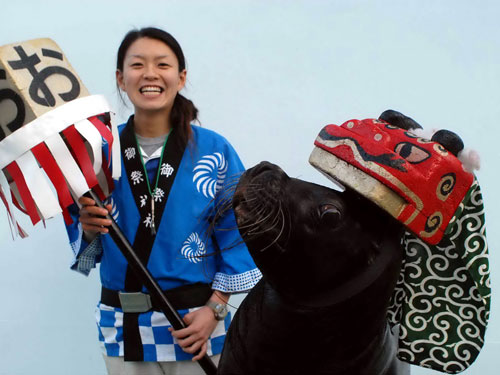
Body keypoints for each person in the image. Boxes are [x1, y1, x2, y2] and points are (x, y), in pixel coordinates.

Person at [65, 27, 261, 375]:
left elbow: (239, 232)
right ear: (120, 78)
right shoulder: (98, 153)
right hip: (123, 325)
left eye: (163, 64)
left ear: (181, 77)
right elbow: (83, 236)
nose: (150, 74)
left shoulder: (214, 151)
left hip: (195, 323)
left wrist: (214, 310)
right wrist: (88, 226)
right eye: (137, 64)